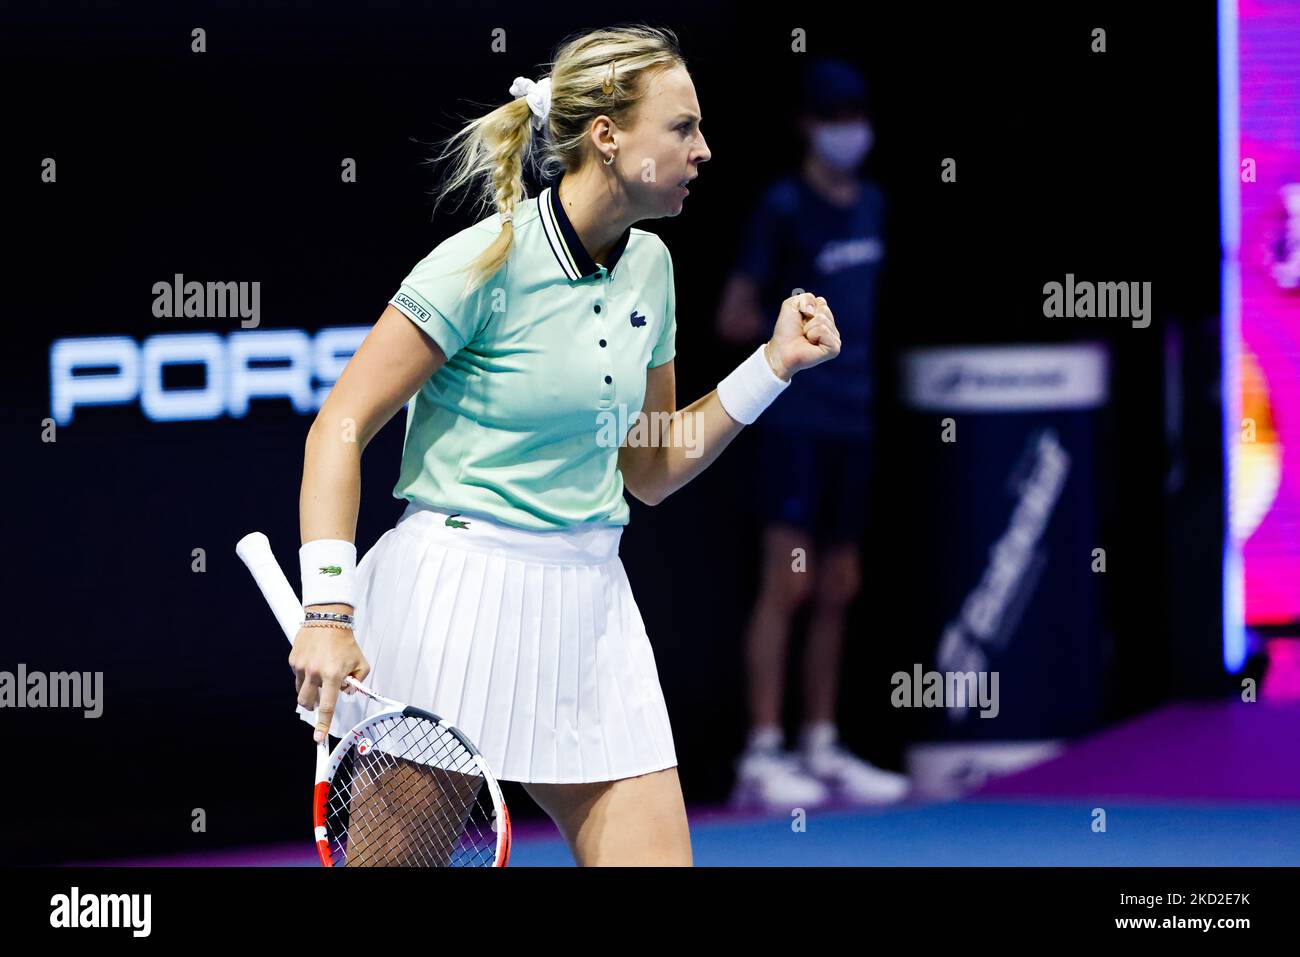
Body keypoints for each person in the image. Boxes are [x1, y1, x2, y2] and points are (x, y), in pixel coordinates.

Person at [288, 24, 842, 866]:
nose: (705, 149)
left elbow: (650, 466)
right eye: (682, 127)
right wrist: (328, 610)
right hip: (452, 604)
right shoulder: (481, 263)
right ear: (608, 136)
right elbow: (340, 424)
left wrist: (772, 366)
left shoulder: (651, 267)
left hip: (592, 609)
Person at [716, 57, 909, 811]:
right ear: (806, 124)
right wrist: (786, 331)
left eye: (855, 114)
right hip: (794, 421)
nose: (847, 130)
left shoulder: (875, 207)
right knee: (787, 582)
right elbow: (732, 315)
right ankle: (762, 754)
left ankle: (822, 744)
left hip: (855, 422)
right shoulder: (782, 208)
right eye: (832, 117)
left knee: (840, 584)